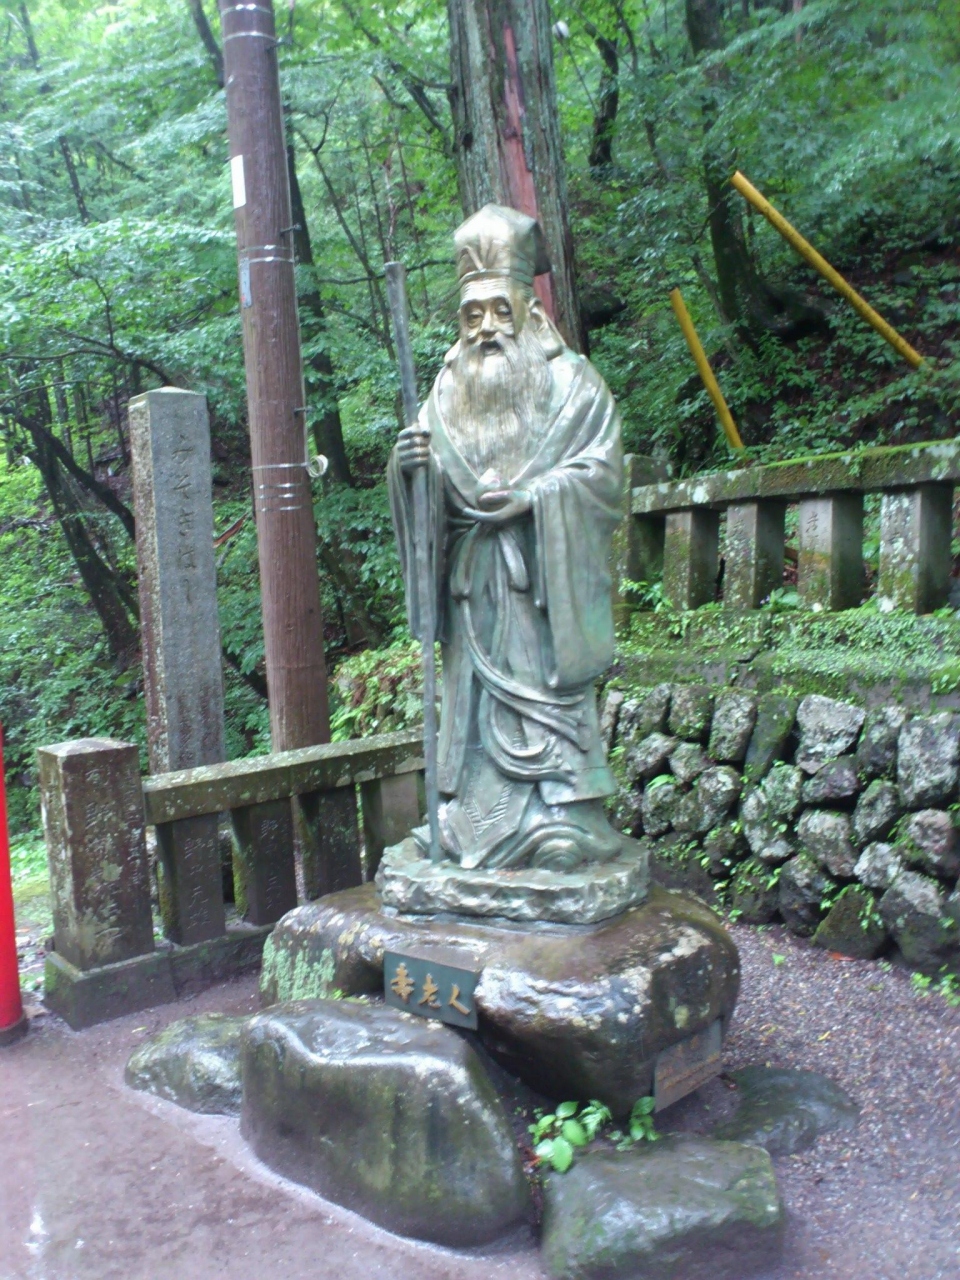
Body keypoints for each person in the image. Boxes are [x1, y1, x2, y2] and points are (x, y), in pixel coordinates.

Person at [389, 204, 626, 871]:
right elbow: (428, 490)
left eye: (500, 310)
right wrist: (411, 473)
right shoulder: (445, 392)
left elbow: (605, 477)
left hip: (541, 580)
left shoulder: (576, 386)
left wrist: (536, 498)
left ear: (531, 311)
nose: (487, 328)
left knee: (542, 693)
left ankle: (564, 814)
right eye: (472, 316)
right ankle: (468, 819)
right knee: (471, 706)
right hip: (472, 591)